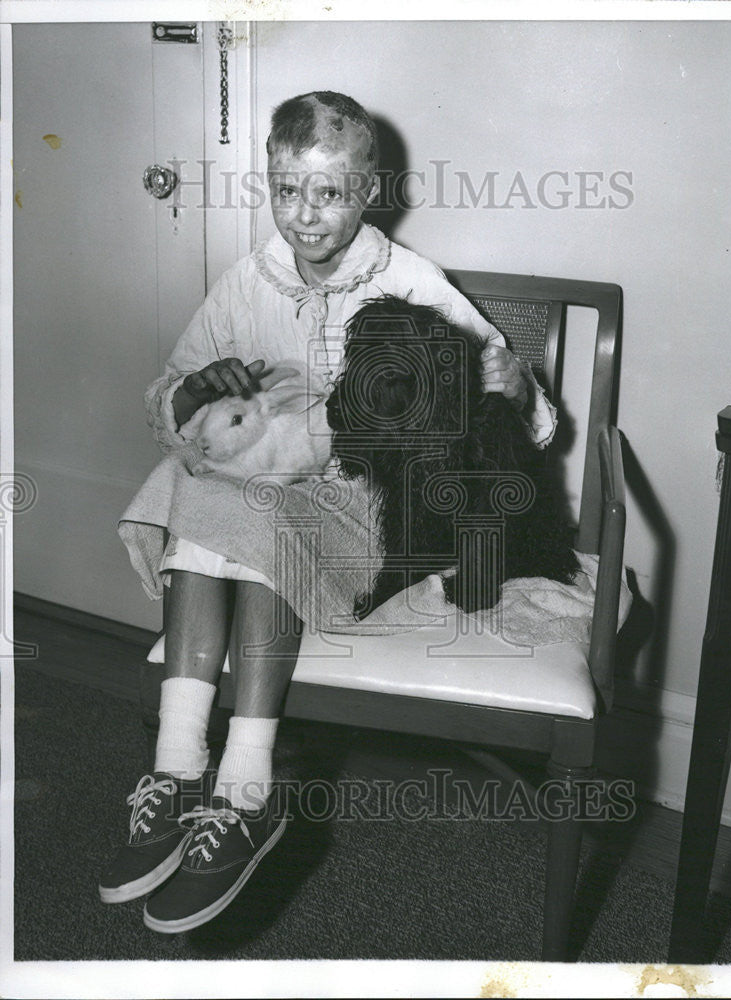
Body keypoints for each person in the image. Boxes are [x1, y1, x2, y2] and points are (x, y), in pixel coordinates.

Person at [99, 91, 556, 934]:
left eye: (332, 194)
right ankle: (174, 770)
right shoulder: (249, 279)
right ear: (270, 184)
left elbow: (518, 412)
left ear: (371, 191)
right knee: (209, 485)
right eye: (288, 191)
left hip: (373, 507)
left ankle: (246, 788)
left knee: (262, 511)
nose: (307, 215)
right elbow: (172, 392)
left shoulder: (410, 280)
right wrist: (198, 388)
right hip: (267, 488)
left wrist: (517, 384)